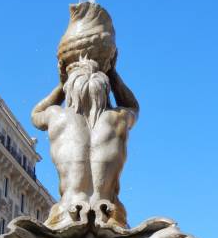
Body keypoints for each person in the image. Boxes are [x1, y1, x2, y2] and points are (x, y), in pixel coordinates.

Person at [31, 56, 139, 229]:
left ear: (70, 91)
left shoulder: (56, 116)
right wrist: (113, 73)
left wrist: (61, 84)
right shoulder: (120, 117)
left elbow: (36, 114)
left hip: (69, 212)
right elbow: (133, 106)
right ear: (105, 91)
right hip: (108, 215)